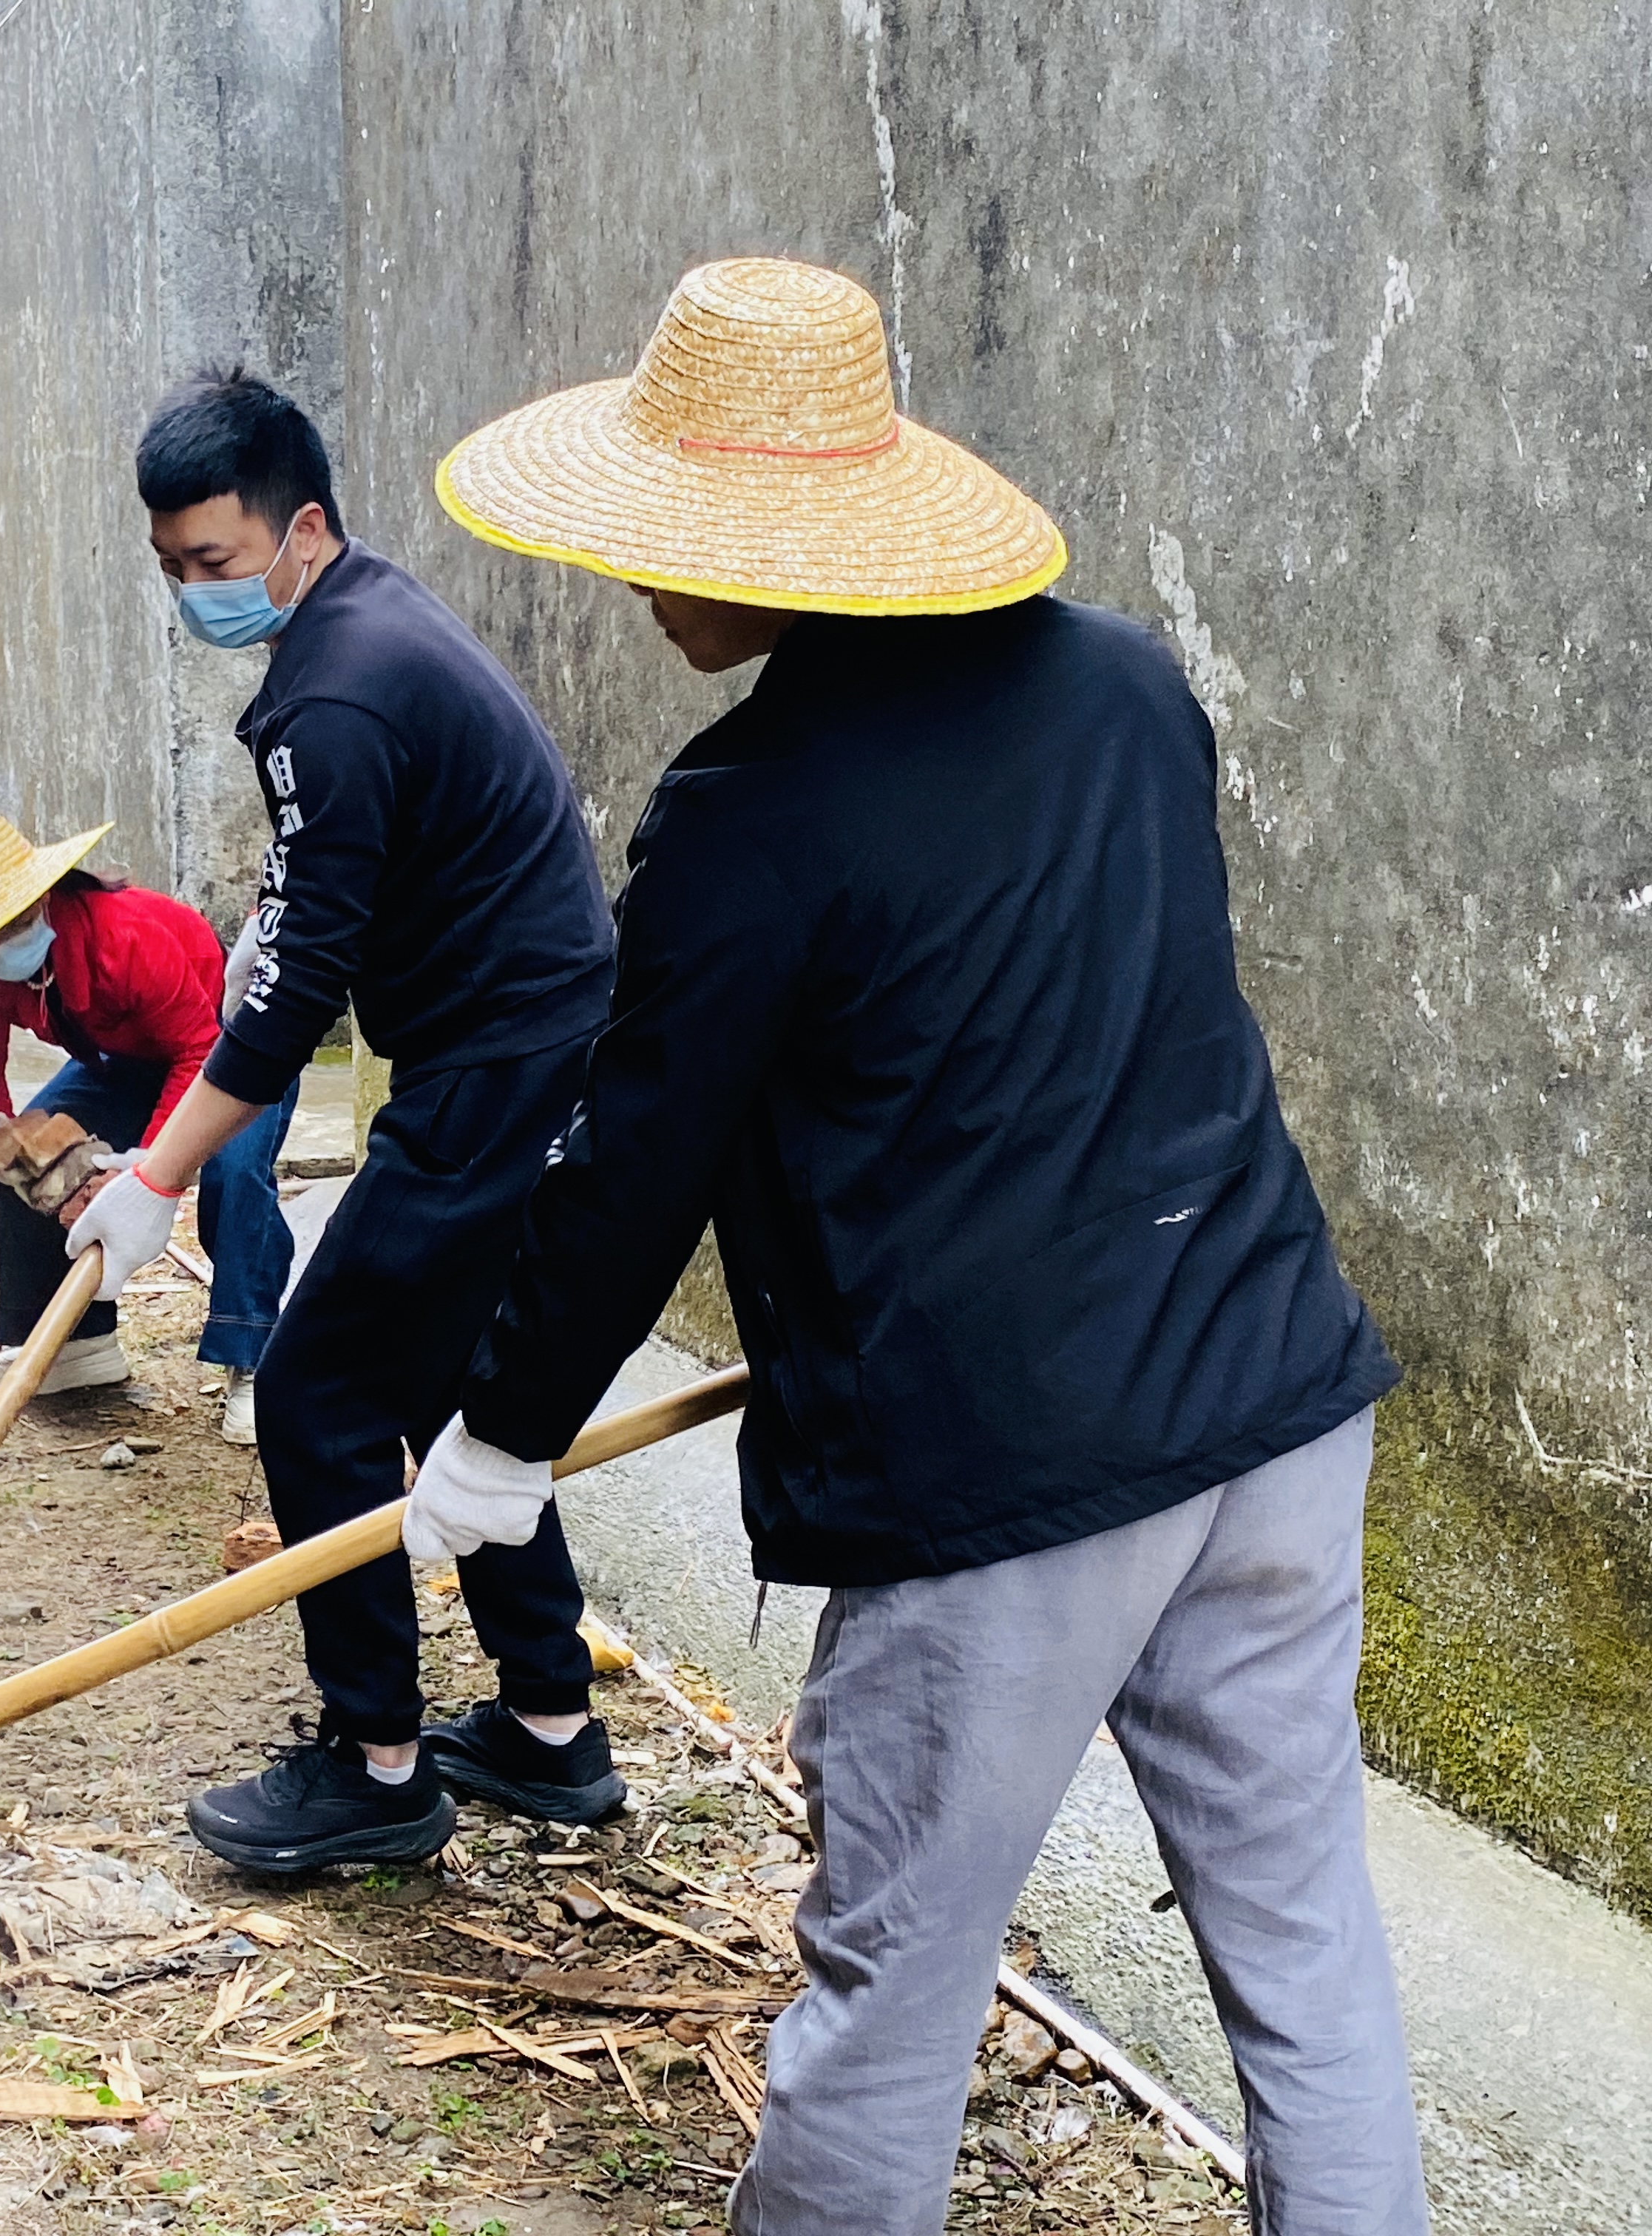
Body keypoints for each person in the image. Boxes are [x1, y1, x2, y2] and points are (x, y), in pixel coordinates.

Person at [413, 257, 1425, 2232]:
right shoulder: (1132, 689)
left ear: (777, 547)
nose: (639, 583)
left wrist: (506, 1430)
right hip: (1273, 1394)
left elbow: (634, 1169)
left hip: (1010, 1481)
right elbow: (1084, 1039)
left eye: (668, 536)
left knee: (896, 1984)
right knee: (1307, 1945)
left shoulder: (752, 816)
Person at [64, 370, 626, 1872]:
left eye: (216, 559)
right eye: (172, 567)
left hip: (495, 1065)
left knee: (316, 1389)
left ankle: (377, 1765)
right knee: (447, 1377)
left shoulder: (334, 687)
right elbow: (334, 892)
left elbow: (298, 994)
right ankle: (550, 1724)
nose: (194, 590)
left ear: (302, 527)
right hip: (522, 1039)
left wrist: (158, 1176)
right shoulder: (366, 623)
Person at [0, 807, 295, 1443]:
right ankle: (77, 1345)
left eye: (7, 925)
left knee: (235, 1175)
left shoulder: (126, 936)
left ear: (40, 900)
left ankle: (255, 1357)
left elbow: (196, 1049)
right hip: (122, 1058)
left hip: (230, 1044)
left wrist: (152, 1164)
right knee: (31, 1162)